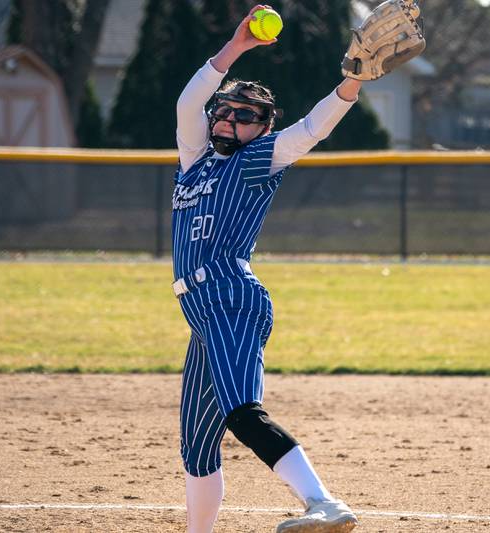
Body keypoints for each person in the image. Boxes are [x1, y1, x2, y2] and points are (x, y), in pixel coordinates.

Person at [172, 5, 363, 532]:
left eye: (245, 116)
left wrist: (351, 84)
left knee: (241, 412)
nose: (230, 120)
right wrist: (235, 46)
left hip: (231, 299)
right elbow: (190, 100)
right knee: (196, 442)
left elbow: (313, 129)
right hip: (202, 314)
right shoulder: (194, 160)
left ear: (264, 128)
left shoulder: (259, 160)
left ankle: (322, 502)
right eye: (225, 111)